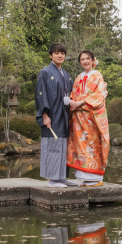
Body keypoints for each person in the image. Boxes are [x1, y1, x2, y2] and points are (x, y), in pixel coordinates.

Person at [66, 50, 110, 187]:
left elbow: (100, 94)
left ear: (92, 60)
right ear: (80, 62)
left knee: (93, 143)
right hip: (79, 117)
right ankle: (86, 177)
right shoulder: (79, 77)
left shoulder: (97, 75)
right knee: (81, 144)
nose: (85, 61)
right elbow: (74, 93)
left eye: (87, 59)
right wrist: (72, 101)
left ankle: (96, 178)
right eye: (82, 59)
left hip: (91, 116)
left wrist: (81, 102)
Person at [35, 43, 77, 188]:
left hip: (64, 114)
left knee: (64, 146)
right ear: (50, 55)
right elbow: (41, 94)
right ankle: (53, 179)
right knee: (53, 145)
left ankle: (62, 177)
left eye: (62, 53)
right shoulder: (45, 72)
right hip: (52, 114)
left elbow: (73, 92)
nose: (60, 56)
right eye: (57, 53)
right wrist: (44, 115)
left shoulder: (66, 74)